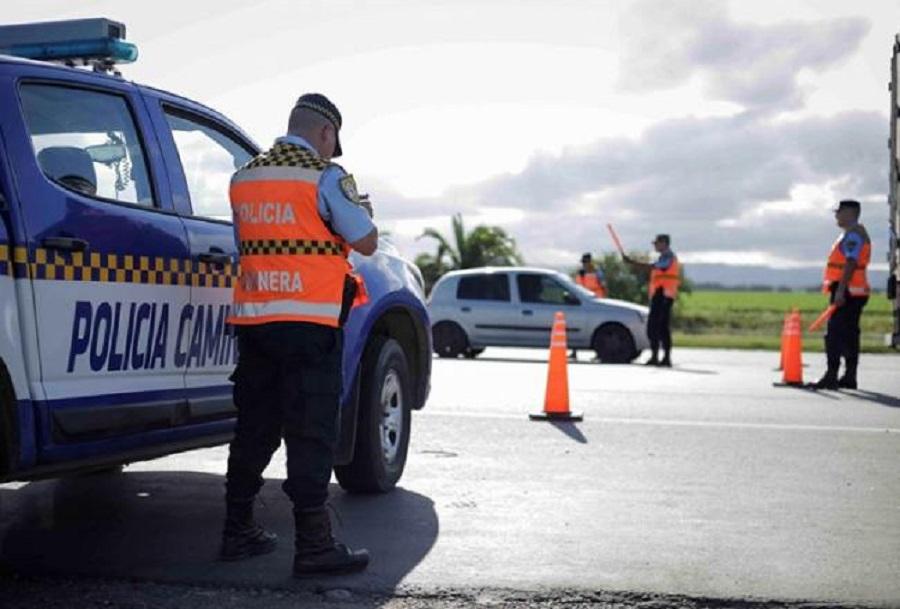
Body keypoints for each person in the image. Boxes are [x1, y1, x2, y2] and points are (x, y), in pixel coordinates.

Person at [221, 93, 378, 577]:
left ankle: (237, 530)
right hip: (310, 324)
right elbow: (367, 242)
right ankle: (314, 545)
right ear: (326, 134)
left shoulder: (242, 177)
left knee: (254, 427)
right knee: (311, 432)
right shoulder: (325, 176)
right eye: (332, 143)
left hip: (255, 322)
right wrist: (361, 208)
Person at [814, 199, 871, 390]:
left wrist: (839, 291)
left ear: (849, 212)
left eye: (839, 211)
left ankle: (832, 375)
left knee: (834, 335)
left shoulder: (853, 235)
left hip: (847, 291)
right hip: (855, 291)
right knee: (849, 335)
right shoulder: (853, 233)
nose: (836, 215)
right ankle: (849, 376)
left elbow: (850, 262)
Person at [623, 234, 680, 367]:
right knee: (653, 327)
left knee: (662, 327)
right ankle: (655, 357)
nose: (655, 245)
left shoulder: (669, 257)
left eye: (657, 243)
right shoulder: (663, 257)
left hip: (665, 296)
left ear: (664, 243)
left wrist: (632, 262)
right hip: (658, 295)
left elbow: (653, 267)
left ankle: (665, 358)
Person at [571, 253, 607, 359]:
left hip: (596, 303)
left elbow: (604, 287)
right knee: (576, 326)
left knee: (597, 328)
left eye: (586, 262)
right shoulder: (580, 274)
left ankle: (599, 353)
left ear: (591, 262)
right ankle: (574, 352)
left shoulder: (598, 273)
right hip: (581, 304)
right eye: (583, 262)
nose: (584, 264)